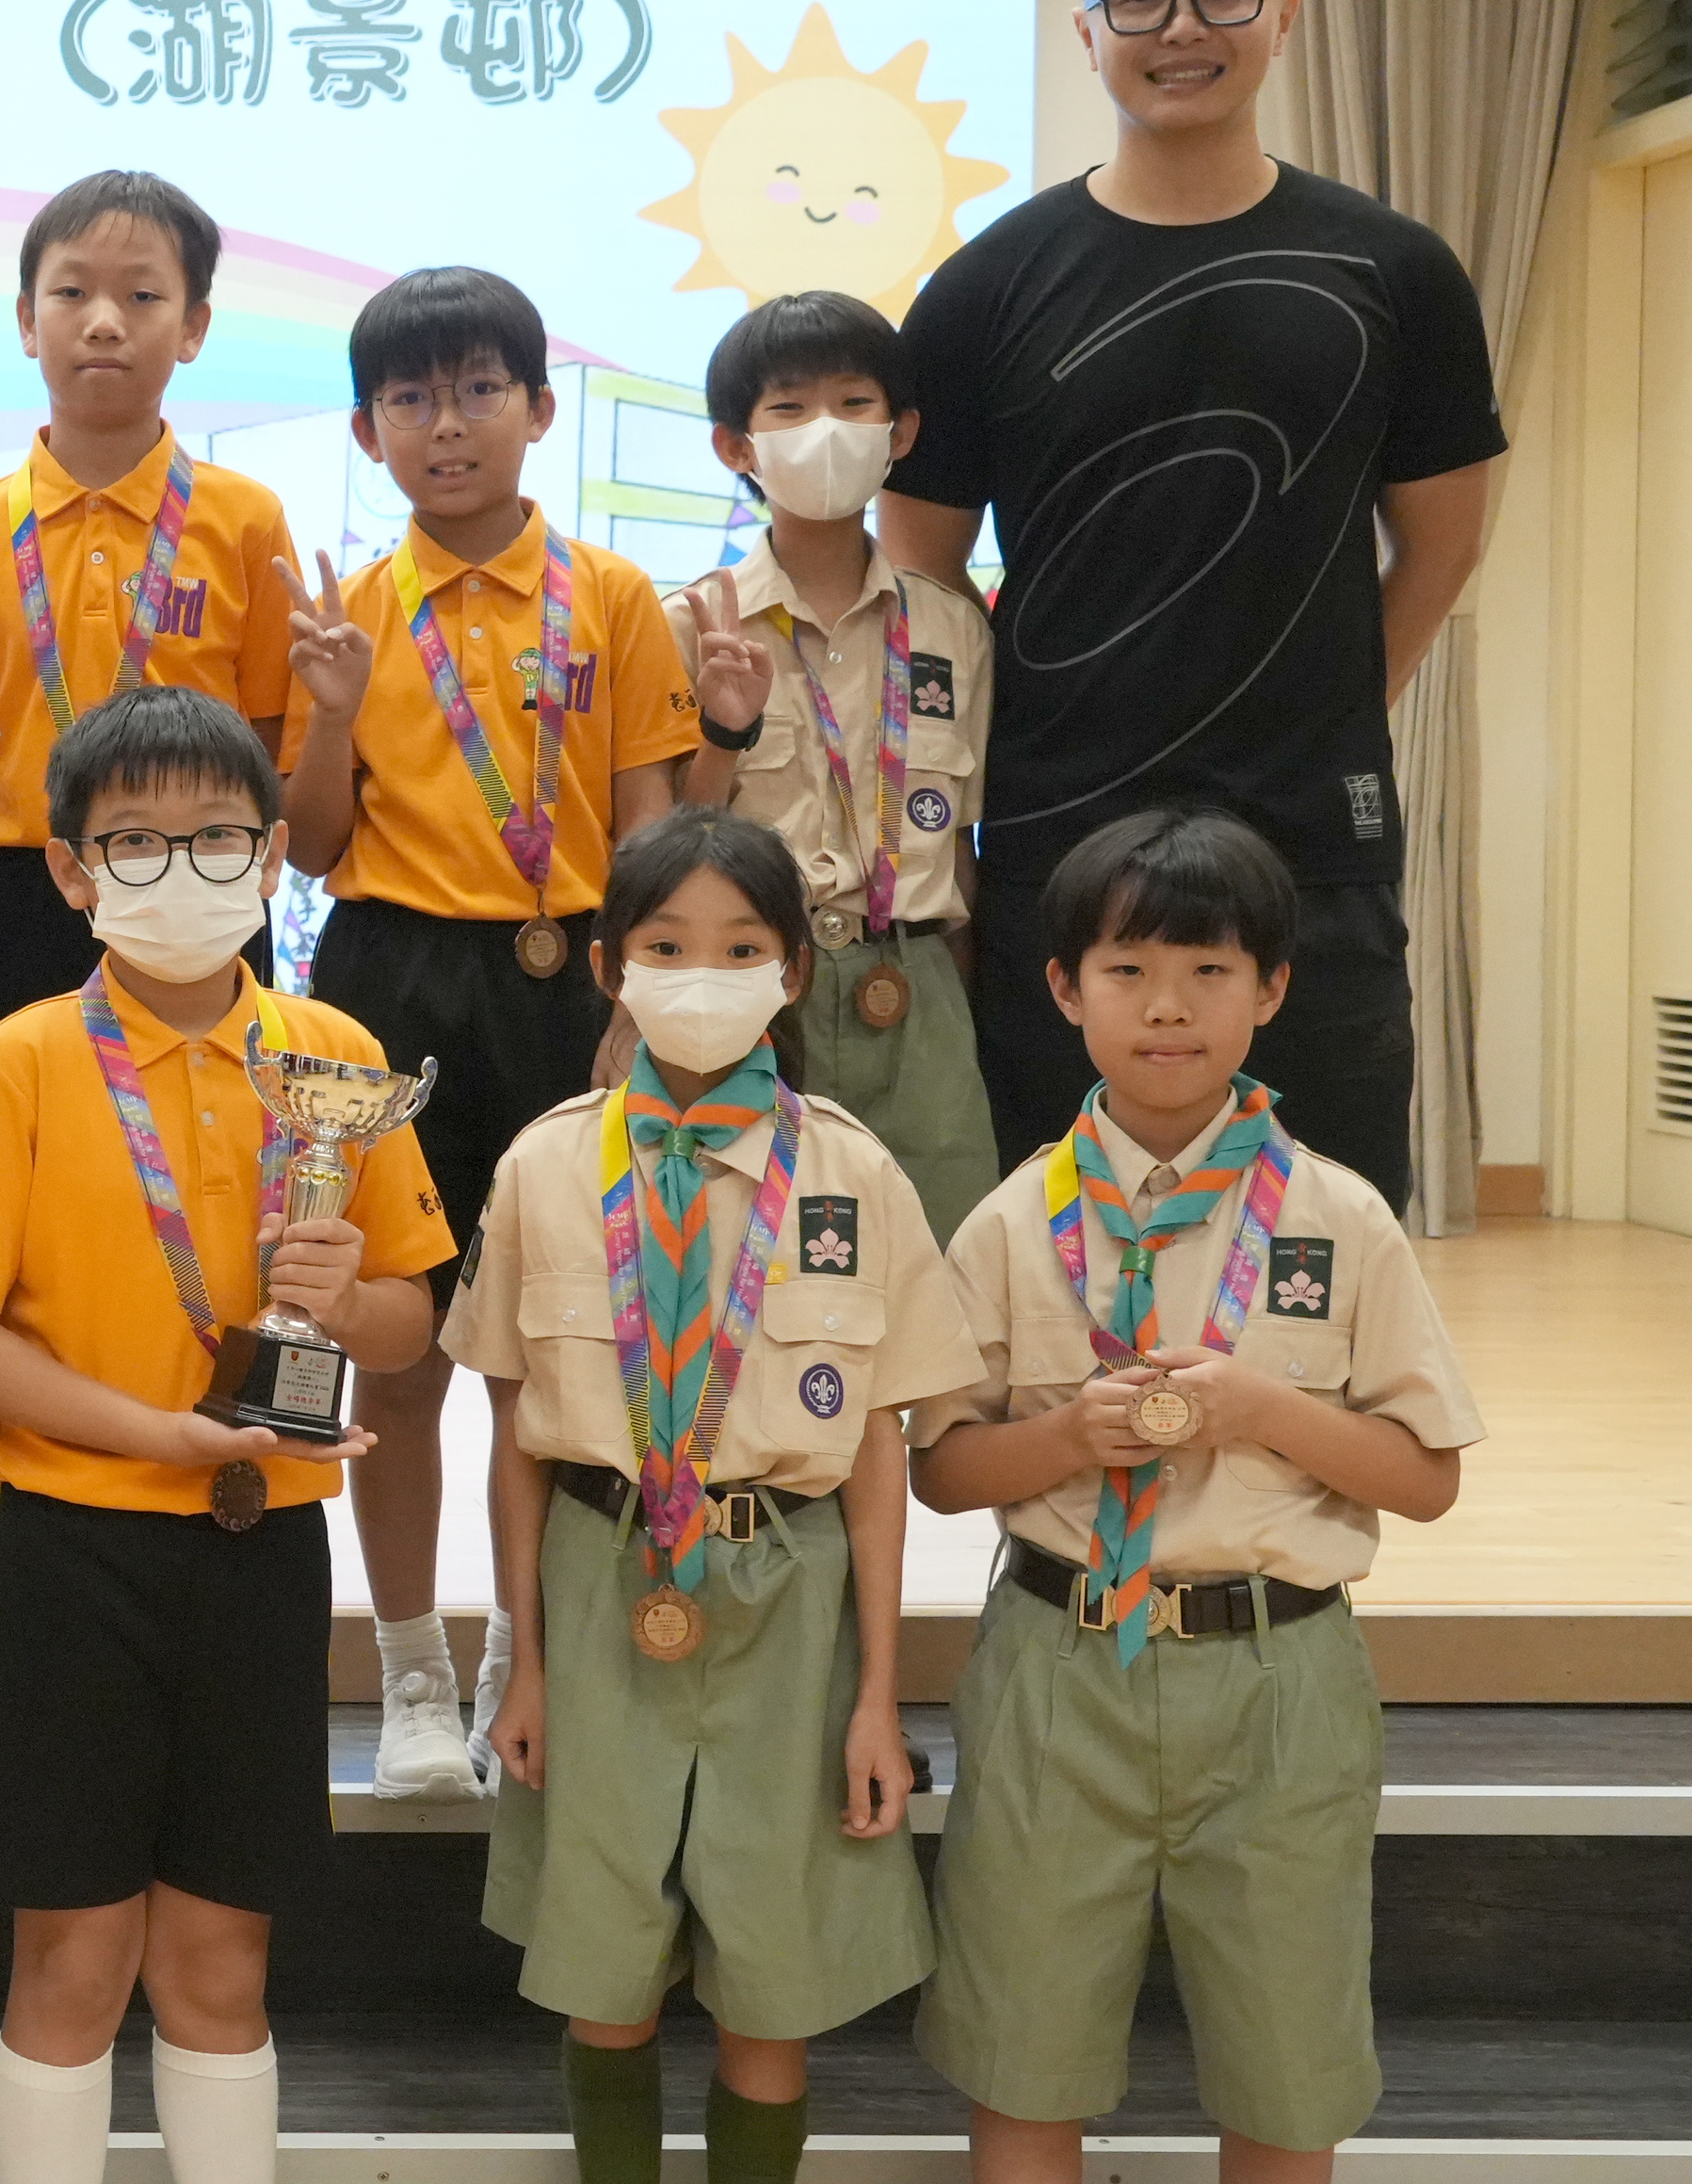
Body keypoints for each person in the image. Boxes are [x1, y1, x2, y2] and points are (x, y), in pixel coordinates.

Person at [880, 0, 1506, 1208]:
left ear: (1283, 16)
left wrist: (1335, 700)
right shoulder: (986, 288)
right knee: (1053, 1237)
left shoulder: (1397, 270)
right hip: (1060, 837)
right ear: (1088, 30)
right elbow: (919, 570)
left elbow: (1446, 542)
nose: (1183, 27)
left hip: (1310, 844)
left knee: (1320, 1231)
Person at [0, 685, 451, 2184]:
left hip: (260, 1552)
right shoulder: (20, 1060)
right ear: (72, 872)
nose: (181, 872)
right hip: (74, 1554)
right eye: (135, 844)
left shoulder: (333, 1055)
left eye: (216, 840)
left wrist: (348, 1295)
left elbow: (409, 1326)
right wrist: (158, 1432)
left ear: (271, 854)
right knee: (71, 1963)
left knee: (220, 1966)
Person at [911, 807, 1479, 2182]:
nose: (1167, 1008)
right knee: (1024, 2050)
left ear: (1271, 989)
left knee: (1287, 2066)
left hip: (1278, 1676)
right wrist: (1068, 1438)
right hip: (1058, 1667)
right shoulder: (1011, 1221)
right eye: (1128, 971)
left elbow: (1427, 1478)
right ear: (1064, 990)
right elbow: (940, 1469)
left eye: (1209, 971)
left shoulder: (1339, 1217)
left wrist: (1263, 1410)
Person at [450, 809, 962, 2184]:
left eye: (741, 949)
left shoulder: (851, 1171)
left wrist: (878, 1696)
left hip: (789, 1598)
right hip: (599, 1579)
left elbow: (877, 1455)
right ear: (609, 966)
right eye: (667, 946)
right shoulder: (545, 1166)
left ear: (793, 971)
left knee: (770, 1990)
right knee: (603, 1977)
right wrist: (523, 1658)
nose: (703, 975)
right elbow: (513, 1440)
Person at [272, 267, 697, 1801]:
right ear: (365, 429)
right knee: (390, 1353)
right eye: (409, 398)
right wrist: (328, 708)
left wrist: (634, 1009)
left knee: (546, 1353)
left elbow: (651, 831)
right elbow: (314, 845)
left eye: (474, 391)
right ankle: (407, 1673)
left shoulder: (614, 599)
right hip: (385, 984)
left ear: (538, 407)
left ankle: (525, 1657)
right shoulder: (350, 612)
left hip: (568, 982)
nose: (443, 425)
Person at [0, 172, 297, 1063]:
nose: (103, 321)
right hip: (21, 896)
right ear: (27, 321)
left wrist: (221, 867)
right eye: (71, 293)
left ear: (194, 326)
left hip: (199, 888)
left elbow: (266, 732)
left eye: (141, 296)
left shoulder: (245, 522)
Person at [668, 291, 1002, 1241]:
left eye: (854, 404)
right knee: (755, 1259)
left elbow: (962, 844)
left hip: (919, 985)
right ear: (735, 446)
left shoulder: (952, 627)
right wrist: (723, 732)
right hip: (756, 983)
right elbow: (670, 843)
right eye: (789, 407)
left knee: (942, 1260)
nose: (825, 429)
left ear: (902, 433)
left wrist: (963, 999)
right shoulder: (691, 623)